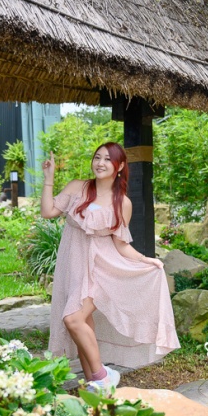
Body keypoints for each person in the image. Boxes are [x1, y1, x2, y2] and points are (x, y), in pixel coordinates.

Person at [41, 142, 180, 390]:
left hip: (102, 269)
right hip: (73, 265)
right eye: (97, 157)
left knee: (72, 319)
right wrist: (48, 179)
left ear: (120, 166)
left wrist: (146, 260)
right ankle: (94, 386)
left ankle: (102, 377)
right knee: (83, 323)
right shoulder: (77, 188)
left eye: (107, 159)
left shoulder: (122, 203)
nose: (100, 163)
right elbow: (48, 211)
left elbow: (121, 244)